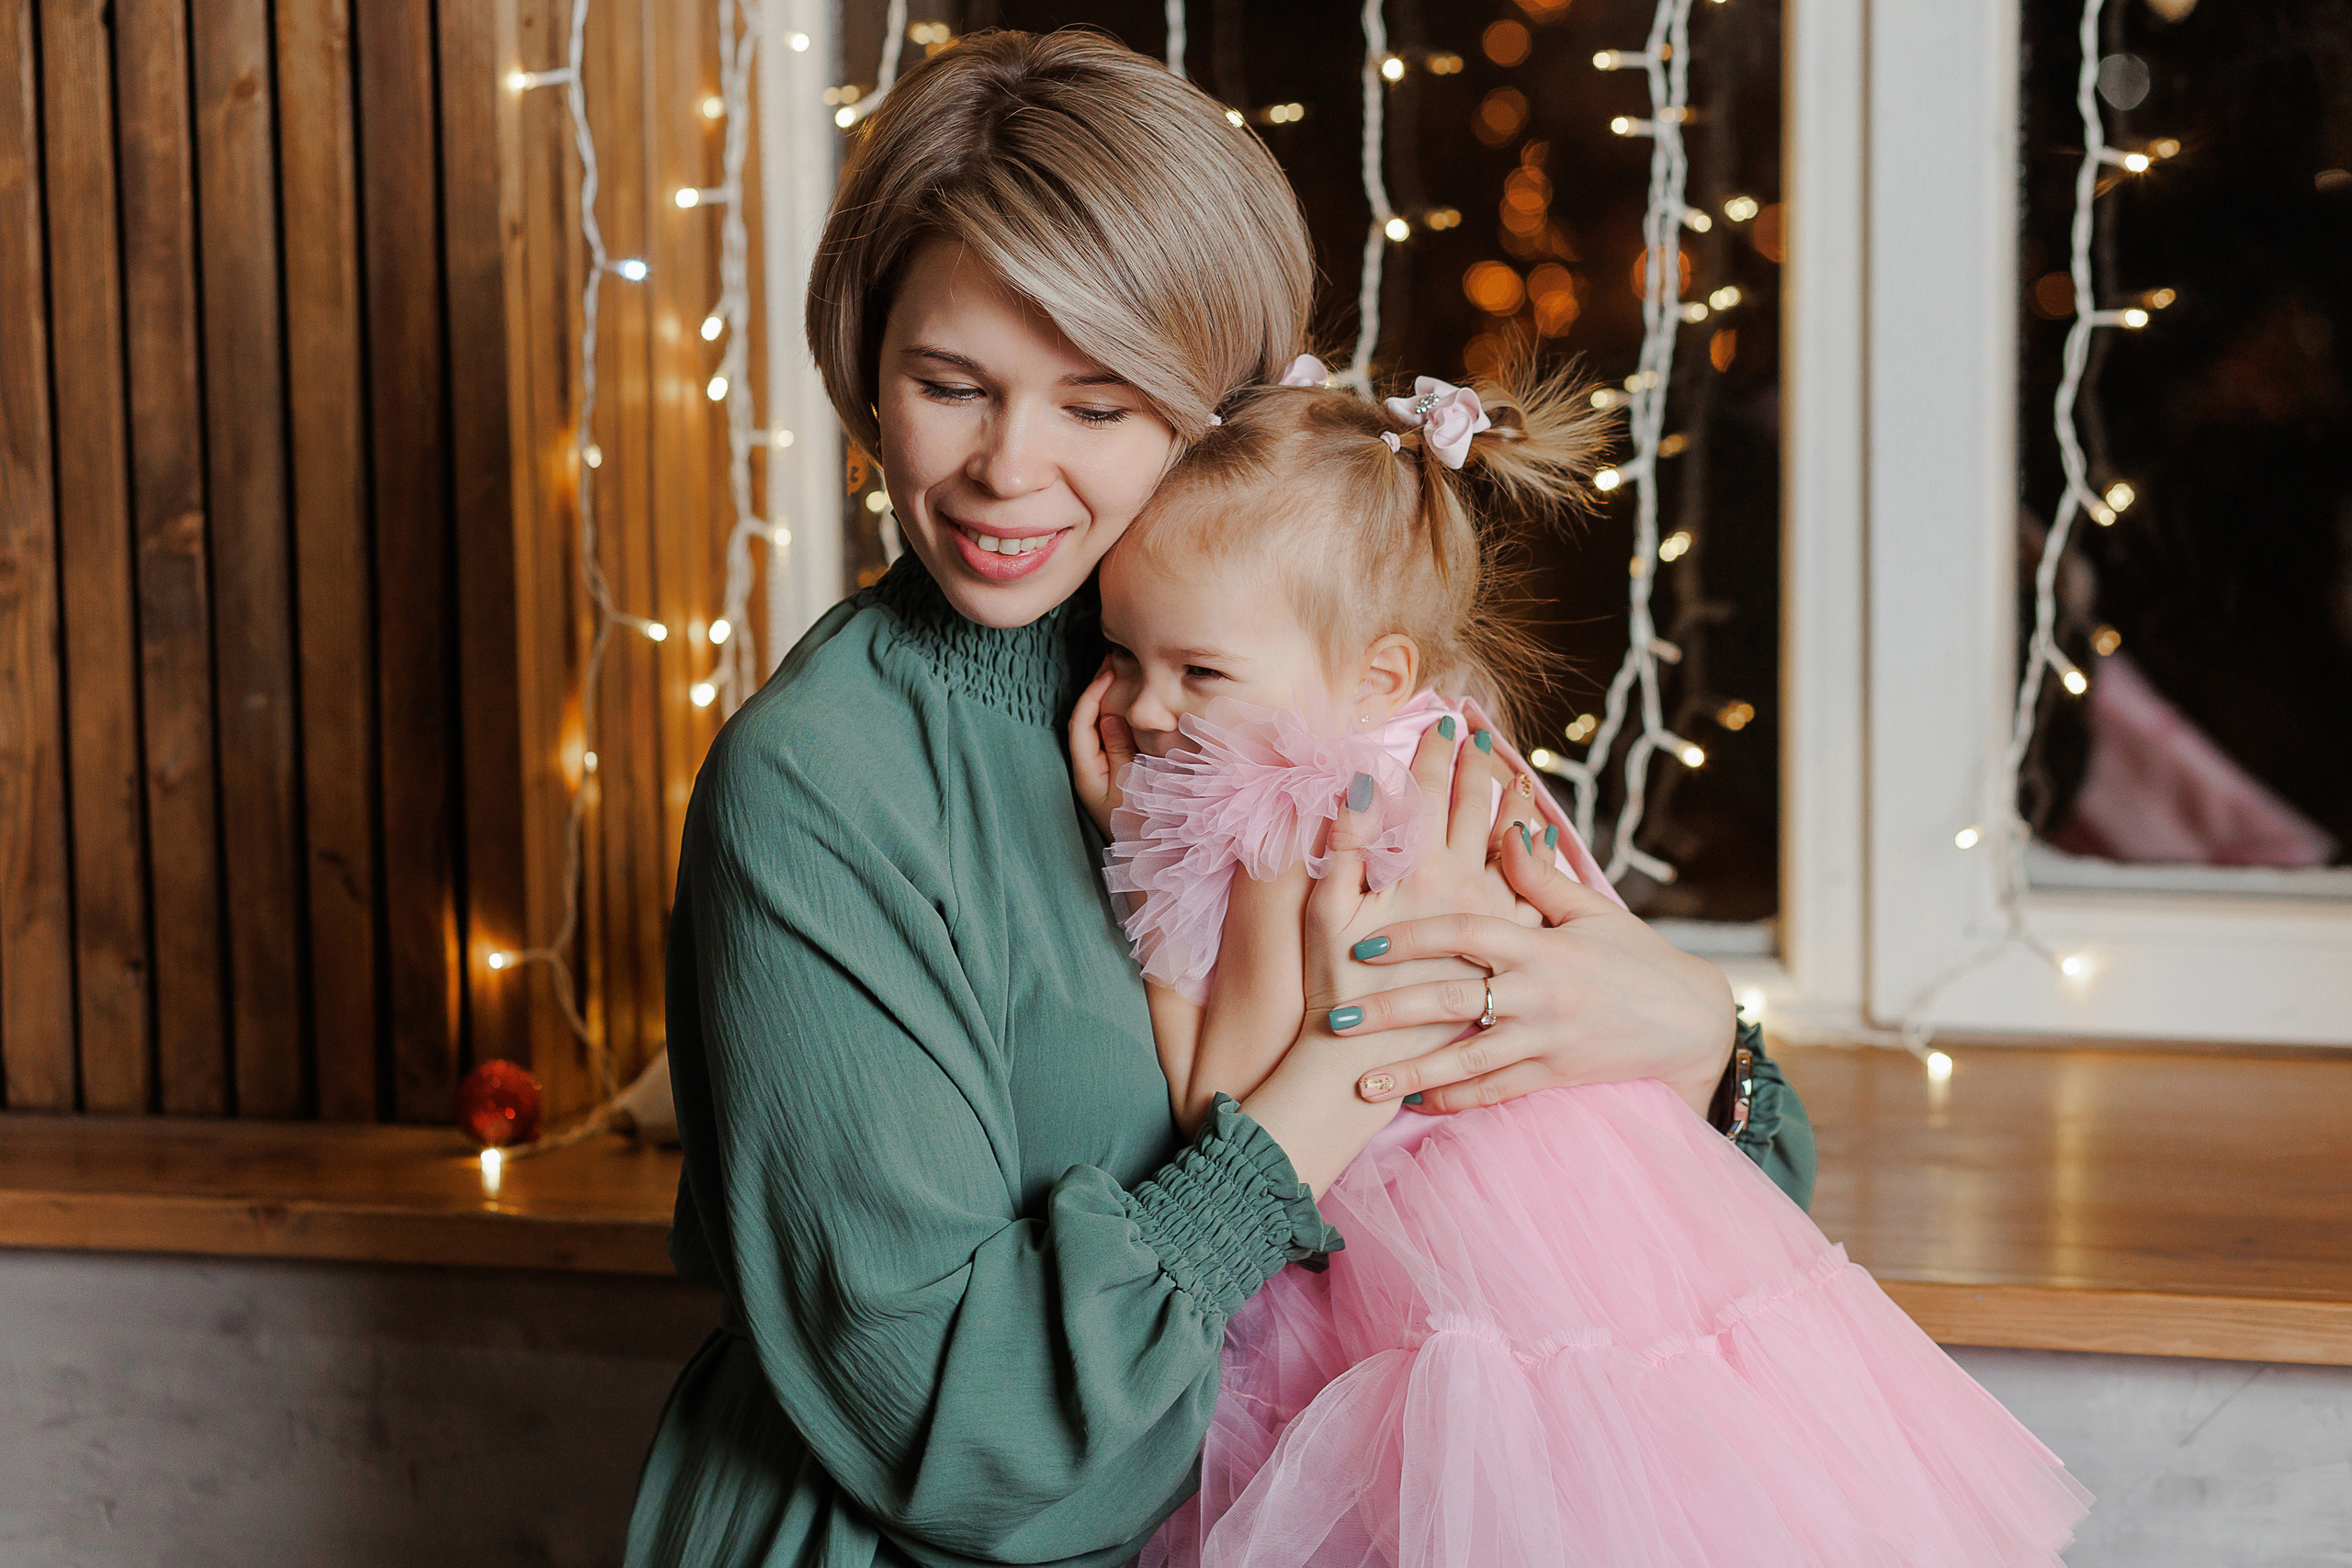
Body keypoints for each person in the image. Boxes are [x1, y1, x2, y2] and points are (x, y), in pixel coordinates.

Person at [626, 32, 1815, 1568]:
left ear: (1216, 406)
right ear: (868, 370)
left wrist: (1705, 1048)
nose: (1008, 469)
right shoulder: (819, 789)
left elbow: (1654, 1246)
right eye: (950, 385)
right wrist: (1321, 1098)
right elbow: (963, 1437)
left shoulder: (1300, 681)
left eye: (1100, 406)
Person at [1070, 363, 2093, 1565]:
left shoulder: (1289, 807)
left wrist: (1141, 868)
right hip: (1601, 1210)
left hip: (1427, 1254)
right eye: (1125, 655)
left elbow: (1223, 1109)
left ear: (1375, 671)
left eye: (1198, 672)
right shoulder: (1454, 747)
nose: (1141, 707)